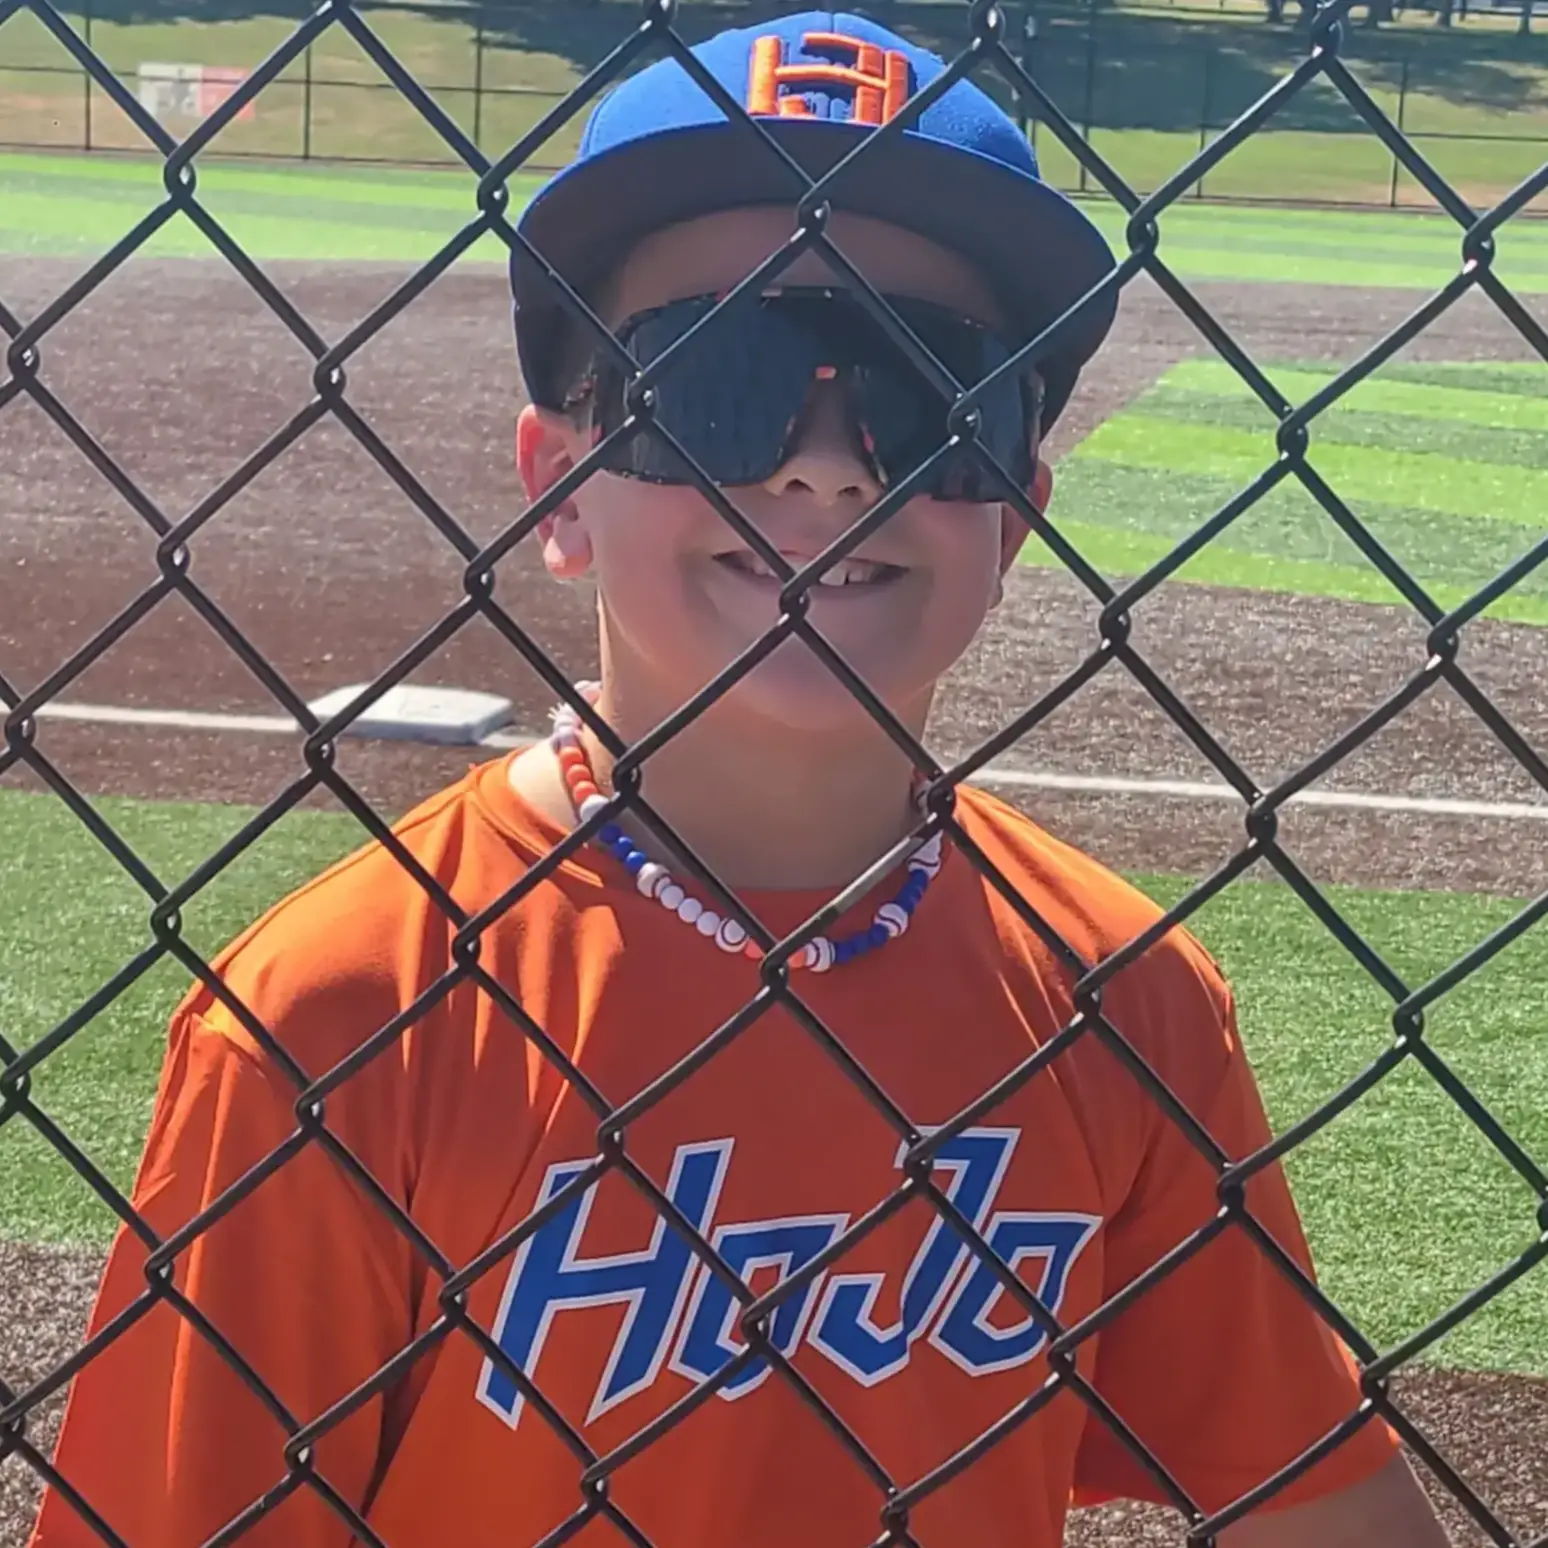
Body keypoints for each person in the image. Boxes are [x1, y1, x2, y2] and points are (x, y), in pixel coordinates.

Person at [30, 13, 1450, 1548]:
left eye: (926, 396)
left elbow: (1322, 1505)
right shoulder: (340, 1022)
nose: (826, 467)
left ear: (1015, 511)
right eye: (718, 379)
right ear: (562, 488)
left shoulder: (1124, 1001)